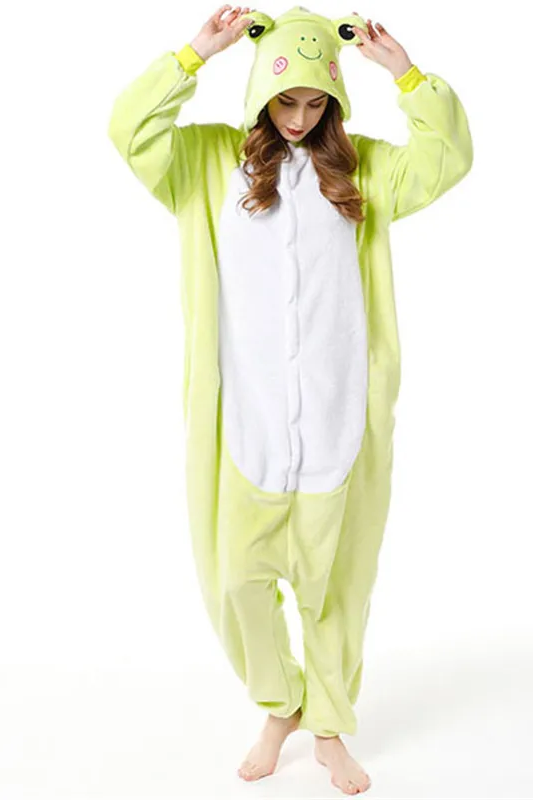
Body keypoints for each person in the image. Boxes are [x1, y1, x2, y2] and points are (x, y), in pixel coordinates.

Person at [108, 4, 473, 795]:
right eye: (285, 101)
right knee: (237, 583)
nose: (300, 118)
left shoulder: (363, 171)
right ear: (259, 97)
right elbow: (129, 129)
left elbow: (446, 158)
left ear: (335, 102)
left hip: (338, 426)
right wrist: (194, 54)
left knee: (334, 592)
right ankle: (281, 706)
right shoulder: (207, 162)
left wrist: (405, 74)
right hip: (249, 426)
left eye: (315, 102)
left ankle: (329, 728)